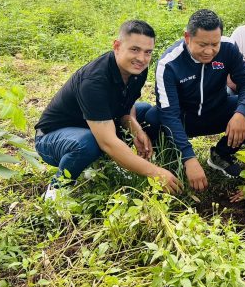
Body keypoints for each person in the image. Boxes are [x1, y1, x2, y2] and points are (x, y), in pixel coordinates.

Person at [34, 20, 182, 199]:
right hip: (53, 138)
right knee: (88, 142)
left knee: (145, 112)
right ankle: (57, 188)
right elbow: (108, 142)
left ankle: (109, 163)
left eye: (147, 52)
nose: (141, 58)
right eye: (134, 50)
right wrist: (155, 173)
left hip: (94, 125)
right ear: (117, 46)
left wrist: (136, 131)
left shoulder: (137, 70)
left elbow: (126, 109)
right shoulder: (94, 81)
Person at [150, 9, 245, 191]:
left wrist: (241, 113)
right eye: (202, 45)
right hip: (185, 118)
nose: (209, 51)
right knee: (152, 118)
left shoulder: (229, 47)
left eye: (214, 44)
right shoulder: (168, 64)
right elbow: (169, 114)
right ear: (187, 37)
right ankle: (170, 159)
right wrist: (189, 157)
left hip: (218, 110)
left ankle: (221, 155)